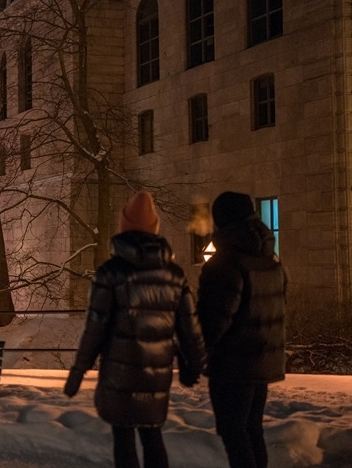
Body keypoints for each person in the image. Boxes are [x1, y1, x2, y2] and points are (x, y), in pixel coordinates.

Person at [64, 191, 206, 468]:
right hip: (157, 372)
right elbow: (190, 327)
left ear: (124, 227)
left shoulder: (111, 273)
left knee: (124, 440)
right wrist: (196, 363)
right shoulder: (174, 275)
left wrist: (78, 371)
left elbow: (95, 328)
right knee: (153, 436)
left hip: (119, 371)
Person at [197, 192, 286, 468]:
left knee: (234, 432)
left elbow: (214, 320)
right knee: (252, 430)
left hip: (232, 364)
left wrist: (196, 351)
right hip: (262, 359)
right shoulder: (270, 260)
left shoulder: (225, 264)